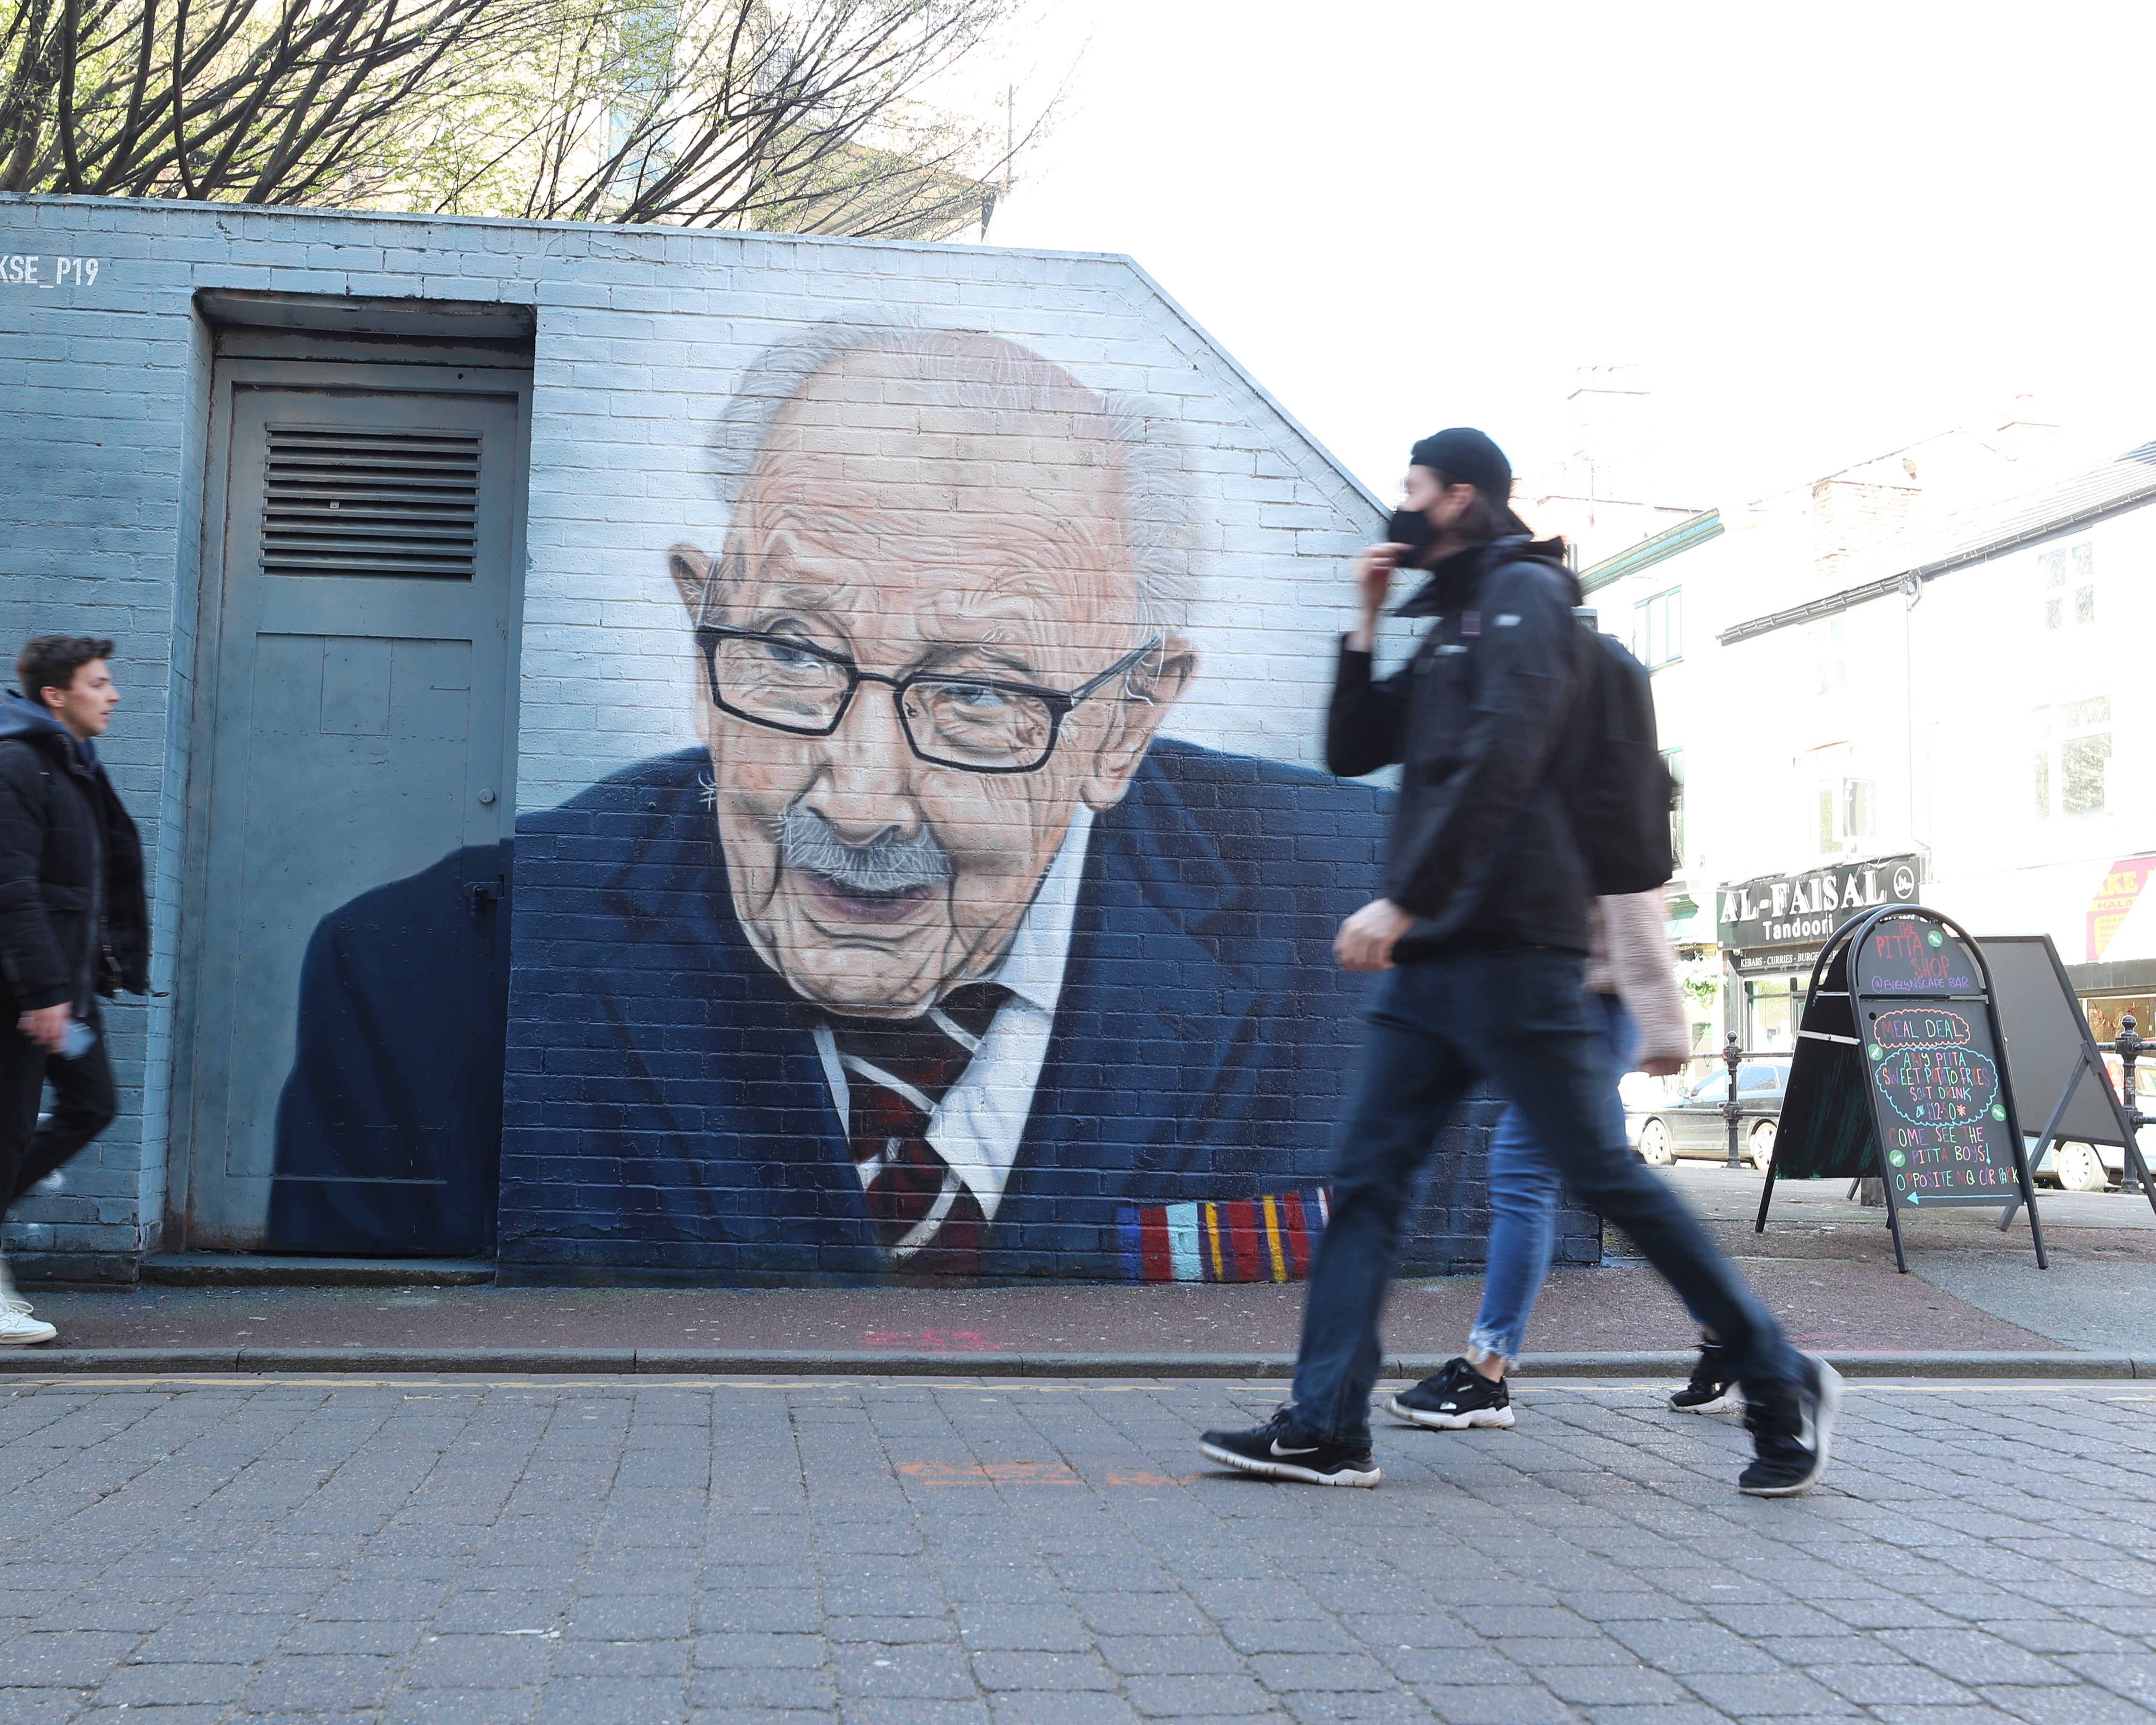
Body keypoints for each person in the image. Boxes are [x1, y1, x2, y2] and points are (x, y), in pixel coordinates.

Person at [282, 326, 1384, 1279]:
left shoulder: (1382, 931)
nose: (859, 807)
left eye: (975, 693)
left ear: (1126, 721)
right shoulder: (420, 983)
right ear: (699, 623)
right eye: (793, 657)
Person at [1196, 428, 1840, 1497]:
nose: (1397, 510)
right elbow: (1354, 747)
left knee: (1597, 1174)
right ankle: (1324, 1425)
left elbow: (1508, 757)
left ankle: (1776, 1375)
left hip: (1515, 951)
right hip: (1434, 965)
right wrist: (1361, 623)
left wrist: (1406, 896)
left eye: (1412, 490)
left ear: (1457, 497)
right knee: (1364, 1181)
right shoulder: (1450, 620)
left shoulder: (1526, 603)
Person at [1385, 889, 1689, 1429]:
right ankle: (1736, 1340)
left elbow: (1632, 894)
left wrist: (1663, 1023)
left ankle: (1486, 1372)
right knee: (1611, 1183)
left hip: (1592, 1011)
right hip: (1576, 1008)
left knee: (1523, 1173)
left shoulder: (1590, 802)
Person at [0, 636, 146, 1344]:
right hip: (19, 988)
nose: (113, 694)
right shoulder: (8, 765)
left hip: (63, 981)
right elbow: (4, 888)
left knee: (91, 1105)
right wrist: (39, 993)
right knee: (3, 1131)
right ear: (55, 696)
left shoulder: (69, 763)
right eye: (99, 683)